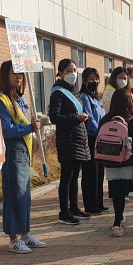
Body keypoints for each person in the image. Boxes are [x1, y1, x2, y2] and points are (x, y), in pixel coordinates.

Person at [0, 60, 46, 254]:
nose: (19, 77)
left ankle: (24, 234)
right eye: (14, 73)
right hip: (12, 151)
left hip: (24, 151)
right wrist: (28, 127)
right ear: (5, 75)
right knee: (14, 196)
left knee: (24, 196)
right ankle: (13, 239)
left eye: (21, 74)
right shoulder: (1, 101)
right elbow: (4, 129)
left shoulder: (20, 98)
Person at [96, 88, 133, 236]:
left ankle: (118, 218)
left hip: (109, 160)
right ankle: (117, 222)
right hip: (125, 161)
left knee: (115, 189)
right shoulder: (131, 120)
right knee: (122, 191)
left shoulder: (105, 119)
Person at [48, 58, 91, 225]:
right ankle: (63, 212)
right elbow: (54, 117)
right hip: (67, 139)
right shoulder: (58, 92)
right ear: (60, 73)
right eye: (68, 71)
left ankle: (74, 208)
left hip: (78, 137)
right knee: (66, 178)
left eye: (74, 70)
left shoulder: (74, 91)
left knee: (74, 178)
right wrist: (76, 117)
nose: (72, 73)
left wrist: (82, 117)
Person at [79, 67, 107, 215]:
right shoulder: (84, 97)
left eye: (96, 80)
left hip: (100, 138)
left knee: (100, 172)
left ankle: (99, 203)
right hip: (91, 138)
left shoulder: (98, 98)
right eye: (91, 80)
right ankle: (91, 205)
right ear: (84, 81)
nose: (94, 82)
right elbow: (89, 118)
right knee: (91, 172)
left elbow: (103, 116)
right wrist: (99, 132)